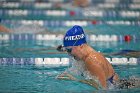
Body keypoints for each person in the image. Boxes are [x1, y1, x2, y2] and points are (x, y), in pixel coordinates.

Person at [56, 25, 119, 89]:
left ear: (80, 45)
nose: (69, 54)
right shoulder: (83, 57)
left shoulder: (91, 60)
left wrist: (74, 79)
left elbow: (102, 89)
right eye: (66, 50)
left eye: (69, 50)